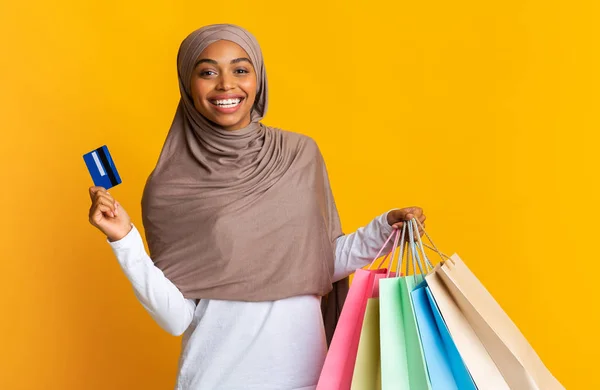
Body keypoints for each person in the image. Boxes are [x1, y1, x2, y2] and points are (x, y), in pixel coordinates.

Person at [87, 24, 426, 390]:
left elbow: (318, 263)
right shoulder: (169, 186)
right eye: (207, 72)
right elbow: (176, 319)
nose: (226, 85)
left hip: (309, 380)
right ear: (188, 85)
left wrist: (386, 229)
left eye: (240, 69)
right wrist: (124, 240)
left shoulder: (298, 155)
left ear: (258, 78)